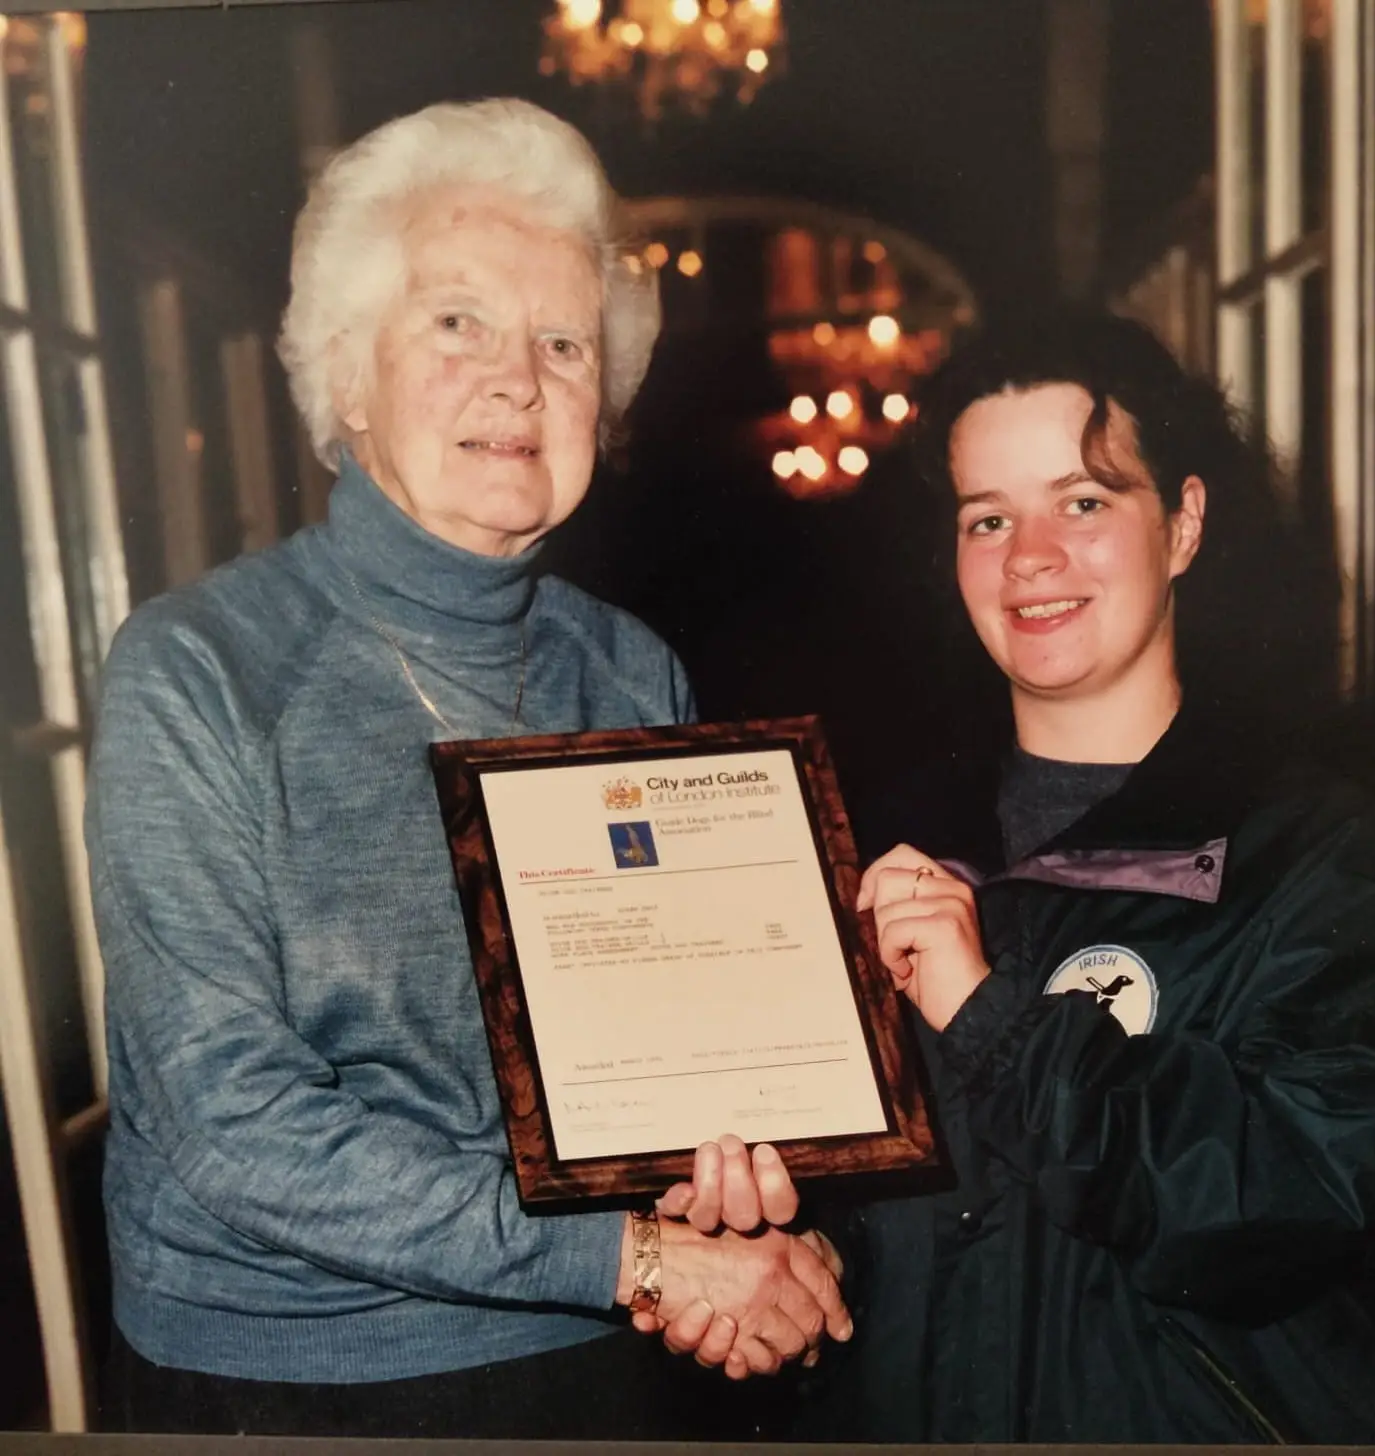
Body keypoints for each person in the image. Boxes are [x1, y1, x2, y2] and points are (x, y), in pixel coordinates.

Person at [85, 97, 847, 1440]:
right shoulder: (198, 669)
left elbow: (678, 1070)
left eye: (563, 342)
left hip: (599, 1344)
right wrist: (639, 1260)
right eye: (458, 323)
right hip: (300, 1376)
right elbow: (230, 1126)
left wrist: (756, 1212)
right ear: (345, 370)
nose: (520, 380)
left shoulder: (627, 672)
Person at [733, 312, 1375, 1443]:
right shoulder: (881, 841)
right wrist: (797, 1255)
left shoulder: (1313, 852)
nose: (1029, 557)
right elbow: (896, 1207)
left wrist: (996, 1020)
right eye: (987, 517)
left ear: (1186, 527)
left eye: (1084, 501)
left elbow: (1291, 1204)